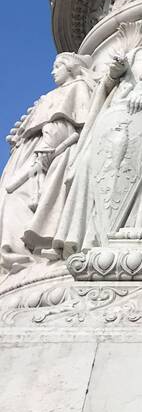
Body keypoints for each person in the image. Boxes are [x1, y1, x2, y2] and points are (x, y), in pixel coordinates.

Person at [26, 3, 142, 257]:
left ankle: (130, 228)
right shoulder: (134, 53)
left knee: (131, 168)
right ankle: (85, 236)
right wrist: (114, 74)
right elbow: (109, 87)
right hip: (110, 116)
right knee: (89, 164)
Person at [0, 53, 95, 272]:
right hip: (30, 151)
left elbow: (70, 122)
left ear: (71, 68)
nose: (53, 72)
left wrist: (49, 148)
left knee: (19, 200)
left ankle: (23, 256)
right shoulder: (51, 95)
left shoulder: (77, 88)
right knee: (7, 199)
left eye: (58, 66)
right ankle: (15, 257)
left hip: (46, 152)